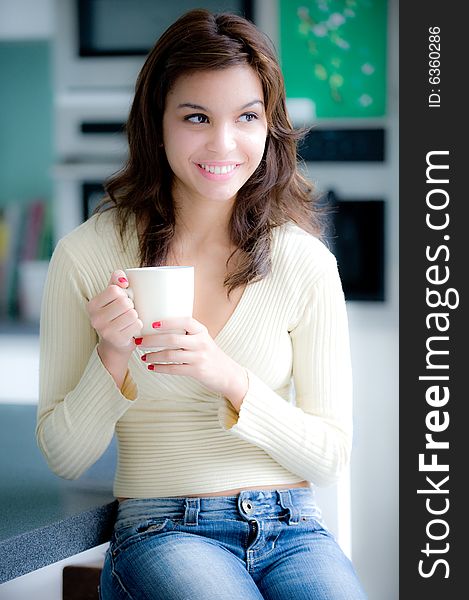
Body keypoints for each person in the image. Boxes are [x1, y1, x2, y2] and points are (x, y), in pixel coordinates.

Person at [37, 8, 367, 600]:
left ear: (270, 126)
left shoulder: (302, 261)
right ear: (155, 122)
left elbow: (330, 455)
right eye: (196, 116)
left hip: (294, 529)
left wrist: (229, 378)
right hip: (163, 528)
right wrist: (112, 355)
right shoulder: (88, 255)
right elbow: (64, 455)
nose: (223, 143)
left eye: (246, 116)